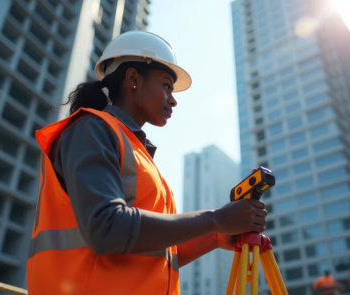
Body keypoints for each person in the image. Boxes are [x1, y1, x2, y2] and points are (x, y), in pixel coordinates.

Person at [26, 31, 268, 295]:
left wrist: (215, 236)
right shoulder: (91, 129)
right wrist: (215, 219)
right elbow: (107, 229)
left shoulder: (134, 149)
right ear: (133, 79)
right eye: (166, 85)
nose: (173, 98)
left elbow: (154, 253)